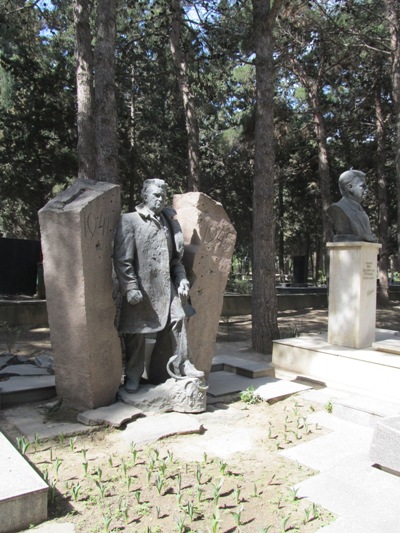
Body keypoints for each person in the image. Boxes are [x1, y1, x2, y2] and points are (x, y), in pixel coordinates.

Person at [113, 178, 204, 393]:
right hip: (141, 288)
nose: (160, 199)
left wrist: (181, 279)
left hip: (166, 286)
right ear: (144, 195)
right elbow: (122, 260)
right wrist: (130, 287)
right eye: (155, 195)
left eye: (163, 196)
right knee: (137, 332)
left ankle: (183, 364)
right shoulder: (129, 221)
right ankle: (133, 375)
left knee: (180, 319)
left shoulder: (169, 224)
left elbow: (175, 261)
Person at [326, 169, 377, 242]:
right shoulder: (338, 209)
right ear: (350, 187)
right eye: (363, 186)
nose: (367, 190)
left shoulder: (361, 210)